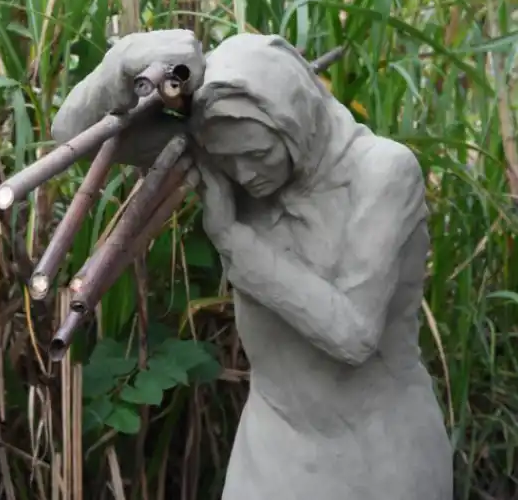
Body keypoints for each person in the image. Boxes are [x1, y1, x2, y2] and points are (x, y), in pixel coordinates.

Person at [52, 29, 453, 500]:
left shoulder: (383, 173)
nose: (244, 175)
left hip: (378, 454)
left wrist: (235, 244)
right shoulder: (235, 146)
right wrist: (121, 63)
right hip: (274, 446)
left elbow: (354, 334)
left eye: (257, 156)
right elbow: (71, 138)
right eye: (231, 160)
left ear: (293, 123)